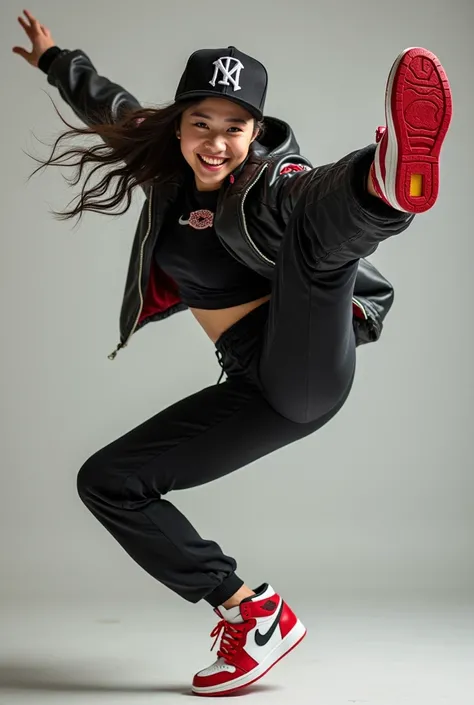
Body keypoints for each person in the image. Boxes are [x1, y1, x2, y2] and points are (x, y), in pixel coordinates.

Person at [13, 9, 452, 697]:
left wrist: (368, 191)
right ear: (180, 125)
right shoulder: (165, 163)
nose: (217, 145)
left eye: (235, 129)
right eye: (202, 126)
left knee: (317, 242)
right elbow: (112, 104)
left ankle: (384, 181)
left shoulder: (270, 184)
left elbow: (308, 192)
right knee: (107, 480)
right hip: (256, 386)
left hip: (304, 362)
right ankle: (251, 611)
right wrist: (54, 59)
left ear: (257, 132)